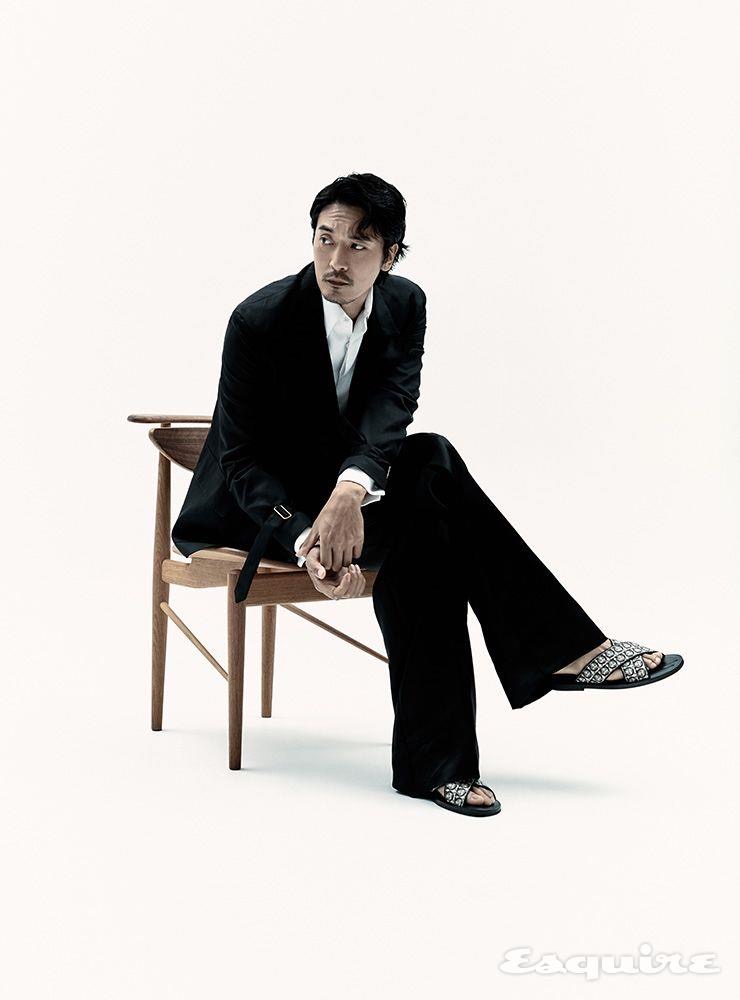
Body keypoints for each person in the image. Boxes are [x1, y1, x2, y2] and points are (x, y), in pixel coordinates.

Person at [172, 172, 684, 818]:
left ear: (390, 256)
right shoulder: (259, 321)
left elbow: (393, 410)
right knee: (431, 511)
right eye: (325, 239)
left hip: (342, 502)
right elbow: (241, 460)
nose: (336, 259)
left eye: (358, 244)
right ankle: (554, 659)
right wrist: (307, 536)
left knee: (430, 482)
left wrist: (349, 494)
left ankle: (440, 766)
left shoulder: (404, 304)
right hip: (257, 517)